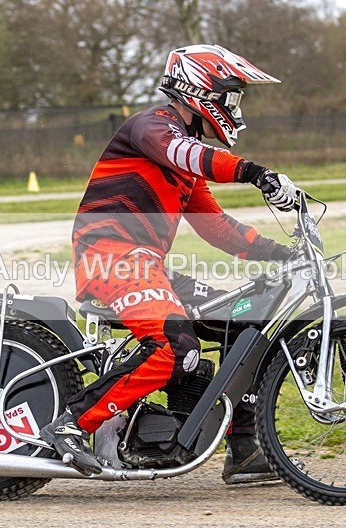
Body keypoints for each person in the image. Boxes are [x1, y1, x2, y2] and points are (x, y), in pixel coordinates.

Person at [40, 44, 301, 483]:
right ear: (201, 90)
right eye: (230, 96)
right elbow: (186, 153)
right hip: (110, 256)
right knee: (173, 345)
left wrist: (280, 253)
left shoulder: (183, 159)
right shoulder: (152, 128)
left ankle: (242, 449)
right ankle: (71, 423)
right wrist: (255, 173)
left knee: (242, 322)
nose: (234, 108)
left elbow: (216, 226)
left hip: (147, 265)